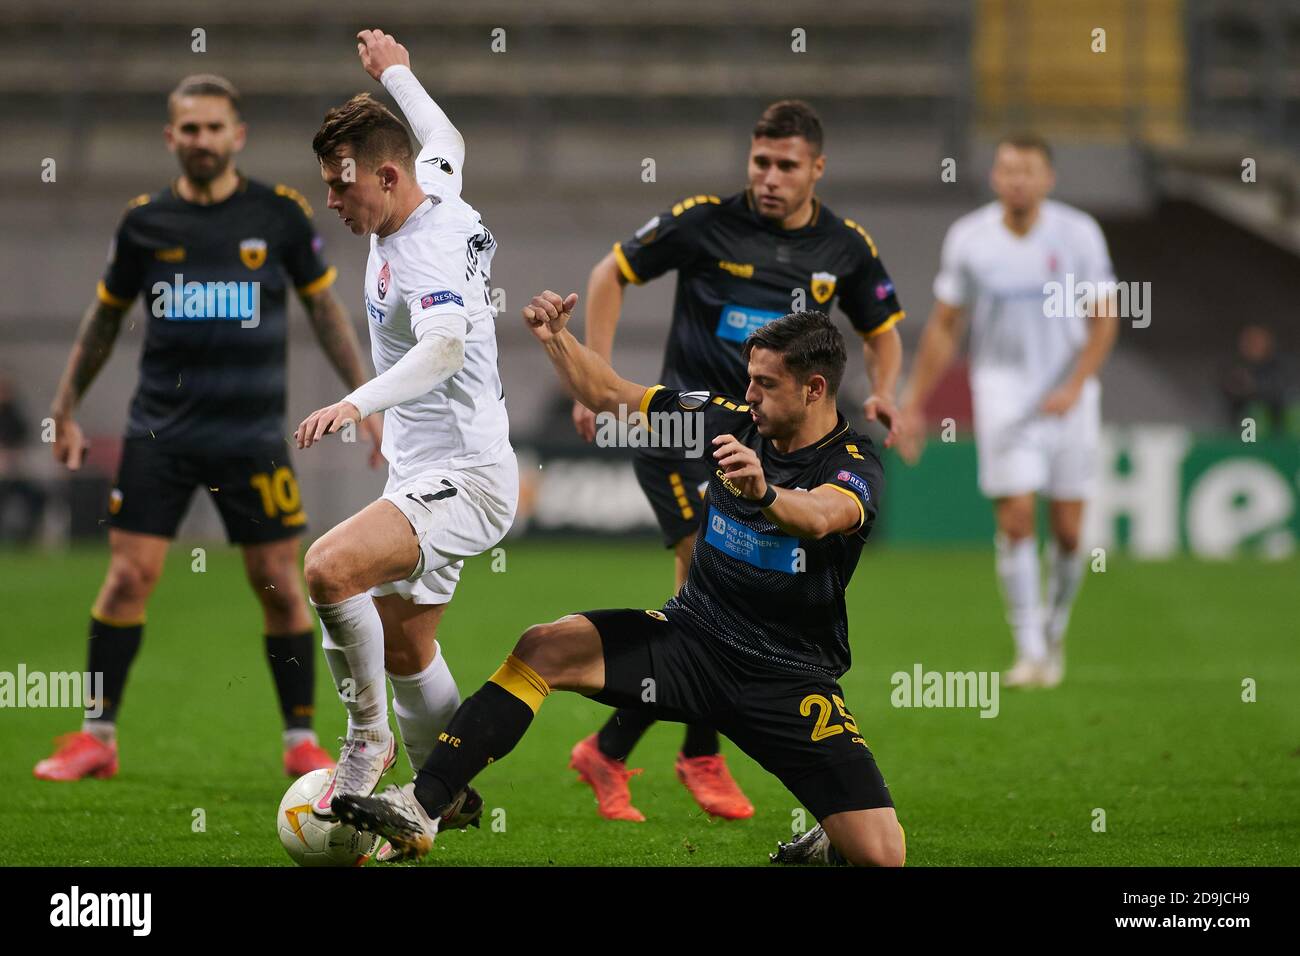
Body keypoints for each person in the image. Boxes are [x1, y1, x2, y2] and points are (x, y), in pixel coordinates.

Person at [333, 289, 905, 867]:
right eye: (750, 378)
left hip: (789, 678)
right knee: (543, 647)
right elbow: (609, 393)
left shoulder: (854, 462)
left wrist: (766, 494)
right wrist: (558, 340)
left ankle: (828, 842)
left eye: (767, 384)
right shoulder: (724, 418)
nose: (750, 395)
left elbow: (824, 517)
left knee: (882, 857)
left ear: (814, 389)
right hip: (694, 639)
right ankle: (423, 807)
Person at [35, 72, 381, 782]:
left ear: (236, 135)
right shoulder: (143, 224)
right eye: (188, 129)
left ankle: (299, 741)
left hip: (252, 437)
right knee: (129, 577)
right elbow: (103, 322)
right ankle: (97, 736)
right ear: (172, 137)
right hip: (159, 432)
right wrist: (65, 407)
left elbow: (325, 315)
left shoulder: (280, 216)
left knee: (280, 581)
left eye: (213, 127)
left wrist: (366, 401)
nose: (201, 140)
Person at [568, 99, 907, 821]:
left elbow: (883, 327)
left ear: (817, 169)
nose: (770, 178)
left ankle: (619, 750)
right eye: (760, 162)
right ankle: (695, 755)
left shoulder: (845, 245)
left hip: (770, 455)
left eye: (787, 165)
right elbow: (609, 273)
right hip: (689, 439)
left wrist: (887, 393)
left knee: (725, 607)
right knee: (715, 600)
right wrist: (597, 377)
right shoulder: (703, 221)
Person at [293, 31, 516, 856]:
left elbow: (445, 347)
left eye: (339, 188)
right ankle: (442, 799)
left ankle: (367, 743)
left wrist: (356, 402)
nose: (331, 203)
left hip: (465, 477)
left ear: (387, 176)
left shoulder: (423, 250)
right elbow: (447, 140)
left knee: (327, 568)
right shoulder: (435, 190)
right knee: (406, 643)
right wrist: (397, 74)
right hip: (428, 470)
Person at [898, 134, 1119, 688]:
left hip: (1071, 396)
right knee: (1016, 517)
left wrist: (1075, 385)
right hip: (1001, 392)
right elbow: (947, 325)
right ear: (995, 178)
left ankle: (1054, 627)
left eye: (1028, 170)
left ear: (1048, 178)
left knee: (1069, 533)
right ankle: (1028, 650)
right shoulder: (970, 238)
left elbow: (1105, 318)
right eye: (1007, 170)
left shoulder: (1078, 233)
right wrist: (913, 402)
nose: (1017, 179)